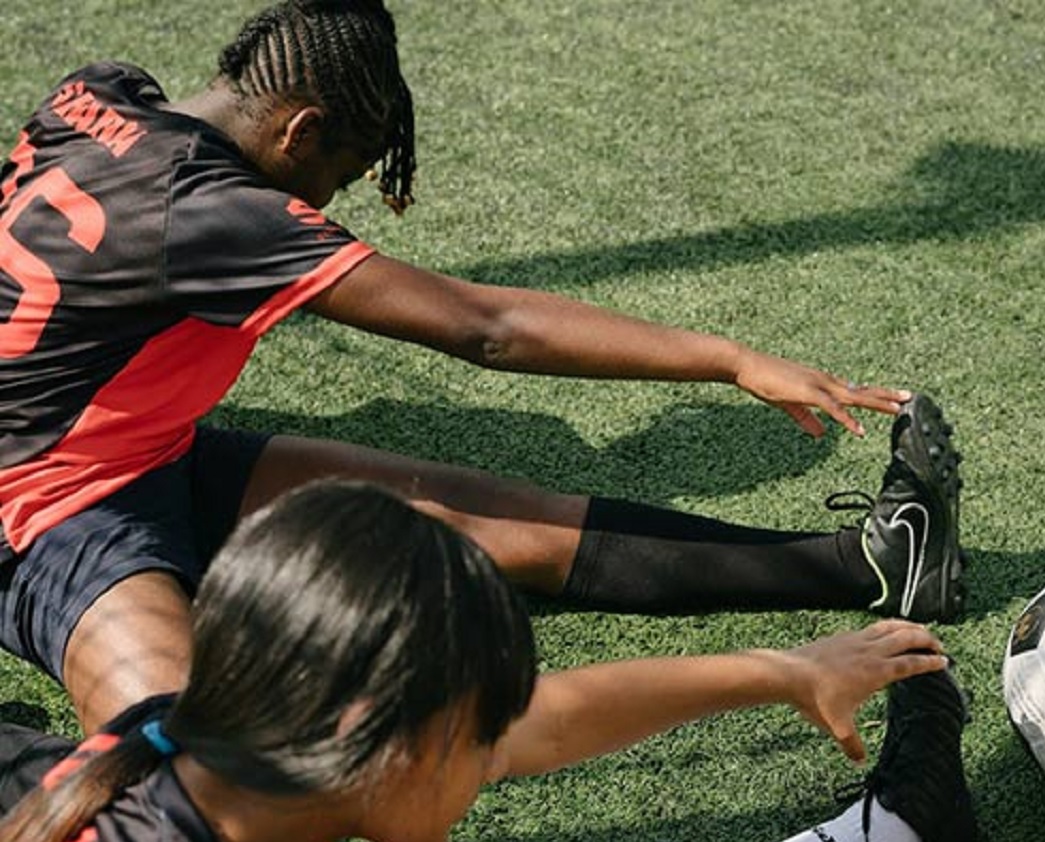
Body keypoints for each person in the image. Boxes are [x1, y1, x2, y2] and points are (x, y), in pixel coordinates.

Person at [0, 0, 965, 736]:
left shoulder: (100, 93)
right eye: (337, 174)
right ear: (298, 133)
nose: (331, 202)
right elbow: (487, 326)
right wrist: (730, 359)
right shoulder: (225, 215)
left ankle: (872, 566)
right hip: (39, 507)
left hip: (138, 454)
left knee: (487, 517)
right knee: (189, 763)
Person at [0, 481, 978, 842]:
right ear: (363, 737)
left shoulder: (219, 750)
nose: (492, 759)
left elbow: (542, 725)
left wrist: (785, 670)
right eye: (474, 739)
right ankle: (889, 835)